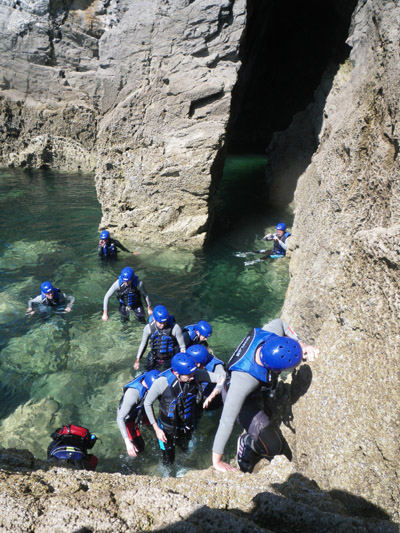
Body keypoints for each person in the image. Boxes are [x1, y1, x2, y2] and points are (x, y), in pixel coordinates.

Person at [212, 318, 319, 473]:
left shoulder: (269, 335)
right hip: (239, 398)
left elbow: (281, 323)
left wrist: (301, 344)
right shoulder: (243, 380)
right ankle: (246, 442)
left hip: (256, 390)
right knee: (273, 446)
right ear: (275, 369)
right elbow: (226, 420)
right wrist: (217, 460)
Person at [144, 352, 225, 465]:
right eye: (189, 376)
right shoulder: (162, 382)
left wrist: (213, 395)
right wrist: (156, 429)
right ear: (177, 373)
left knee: (184, 450)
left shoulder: (196, 374)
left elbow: (222, 377)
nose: (193, 378)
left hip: (186, 423)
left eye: (193, 374)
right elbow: (147, 403)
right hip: (166, 427)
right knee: (168, 460)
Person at [117, 370, 160, 457]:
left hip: (141, 411)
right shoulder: (132, 395)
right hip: (129, 419)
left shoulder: (148, 377)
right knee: (140, 448)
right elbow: (120, 418)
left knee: (155, 428)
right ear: (148, 386)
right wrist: (127, 443)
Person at [134, 305, 186, 371]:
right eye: (160, 322)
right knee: (146, 371)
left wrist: (181, 361)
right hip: (154, 356)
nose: (163, 324)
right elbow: (143, 344)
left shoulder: (175, 328)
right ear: (154, 319)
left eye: (165, 322)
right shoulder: (148, 328)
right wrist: (137, 360)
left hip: (169, 357)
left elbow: (182, 346)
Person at [187, 344, 226, 411]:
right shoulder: (201, 361)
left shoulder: (217, 366)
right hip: (202, 391)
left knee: (210, 411)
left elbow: (223, 378)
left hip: (213, 396)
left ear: (198, 364)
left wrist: (212, 396)